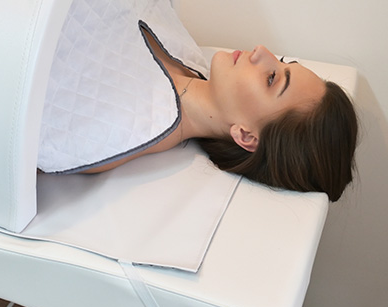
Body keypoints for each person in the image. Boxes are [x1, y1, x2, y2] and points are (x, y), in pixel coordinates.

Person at [87, 33, 359, 201]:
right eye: (283, 61)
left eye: (271, 78)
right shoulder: (188, 57)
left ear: (246, 135)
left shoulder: (123, 131)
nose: (262, 51)